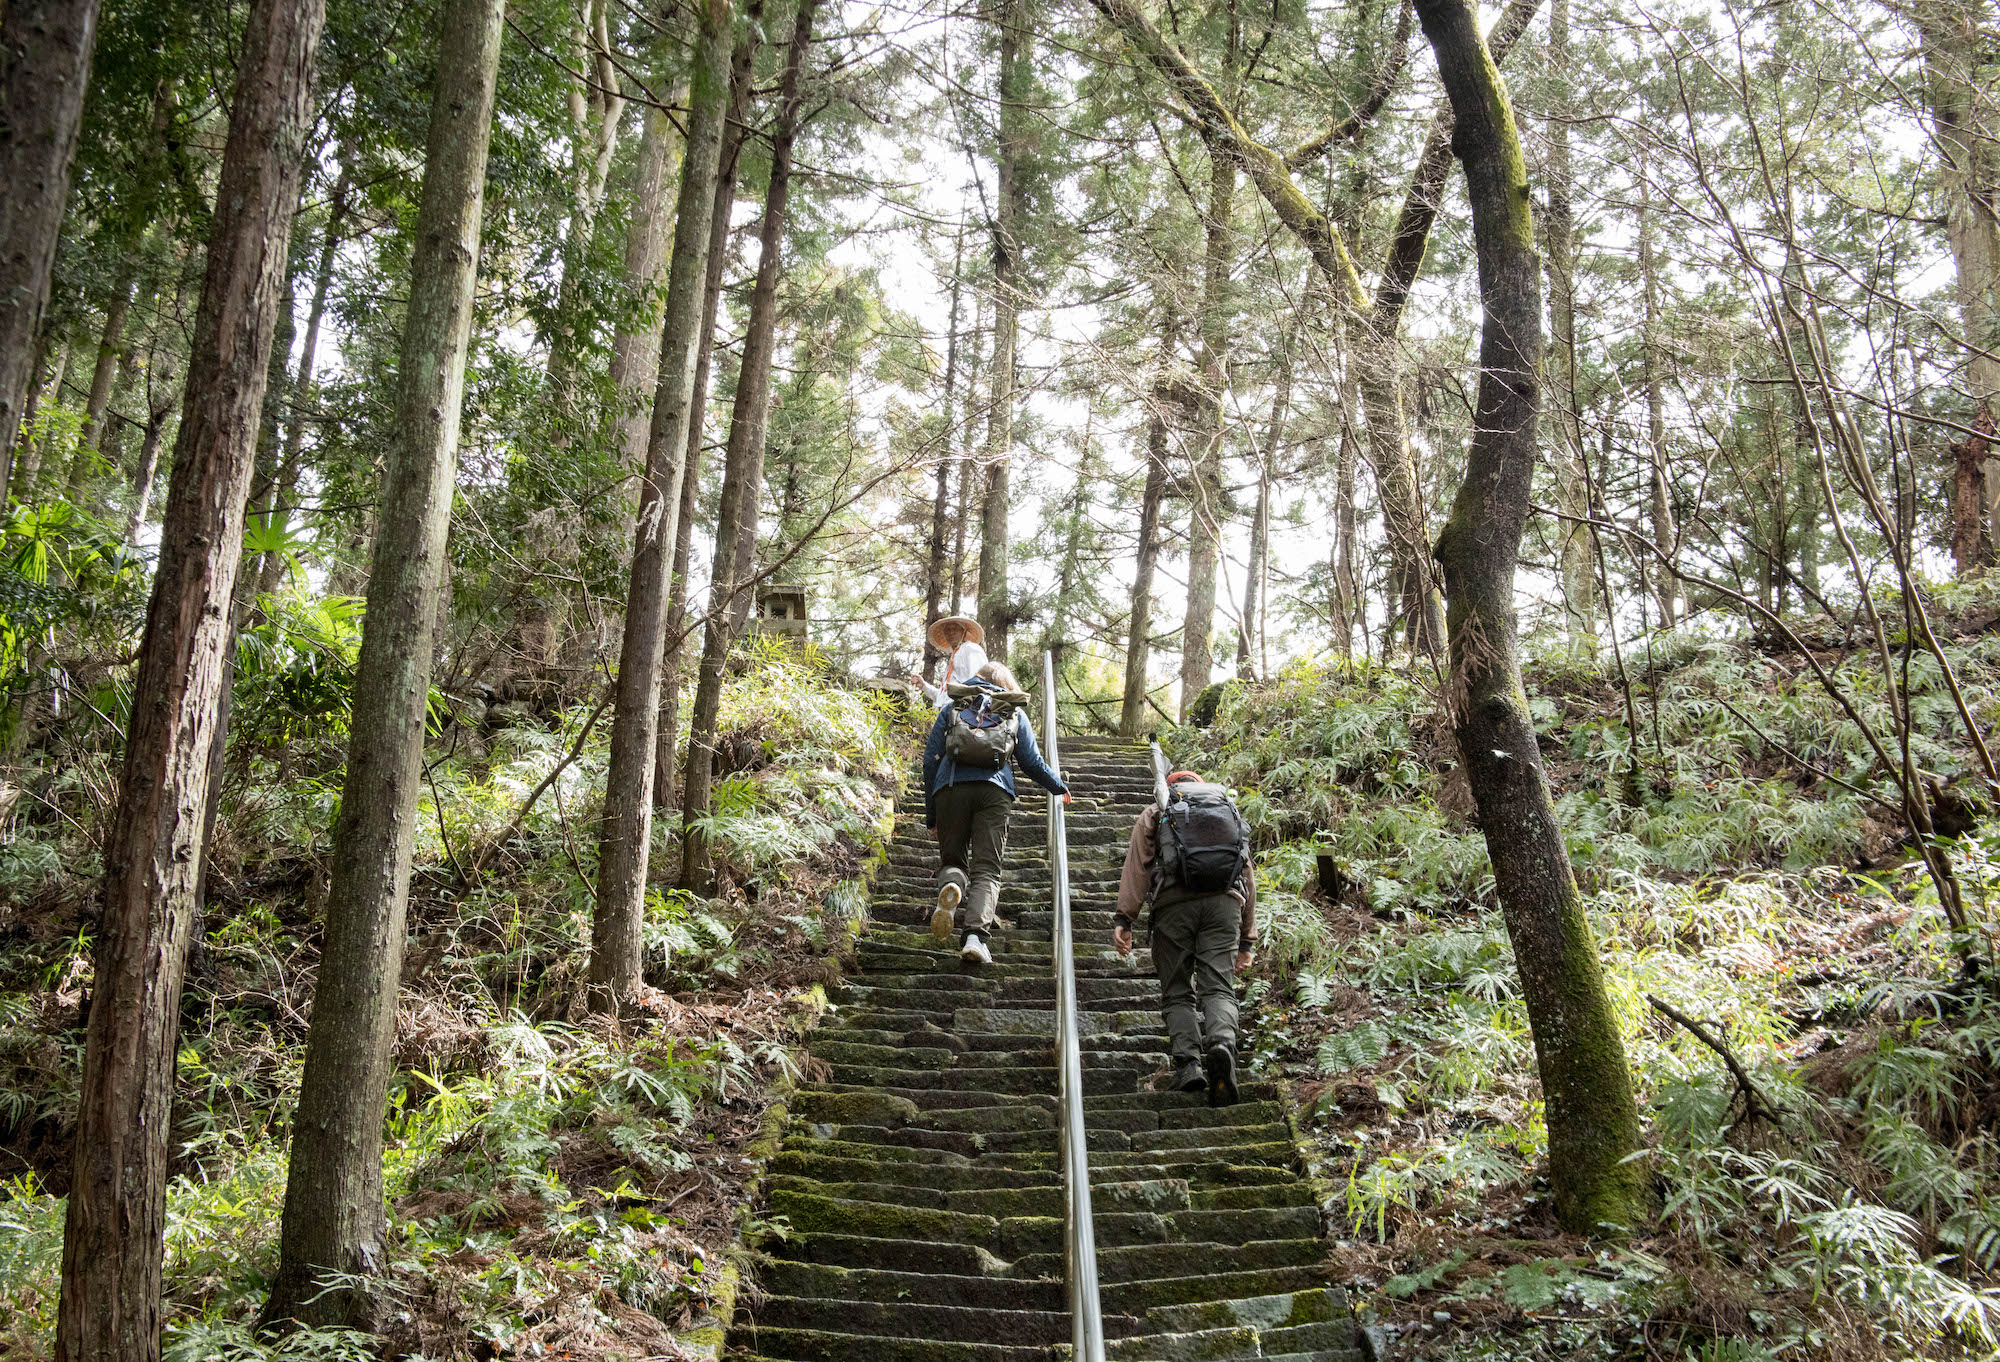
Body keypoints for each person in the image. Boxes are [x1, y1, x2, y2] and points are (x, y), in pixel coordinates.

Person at [1112, 769, 1256, 1106]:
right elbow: (1246, 872)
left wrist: (1125, 918)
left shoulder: (1157, 811)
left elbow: (1137, 868)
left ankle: (1189, 1064)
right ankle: (1222, 1044)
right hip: (1224, 904)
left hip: (1173, 905)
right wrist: (1247, 940)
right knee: (1218, 987)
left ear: (1171, 787)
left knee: (1177, 990)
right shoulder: (1226, 811)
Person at [923, 667, 1070, 966]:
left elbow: (930, 759)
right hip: (995, 792)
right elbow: (1032, 762)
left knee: (953, 861)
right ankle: (975, 938)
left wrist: (932, 815)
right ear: (1006, 685)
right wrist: (1058, 786)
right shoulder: (1012, 711)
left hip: (950, 788)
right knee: (987, 869)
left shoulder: (954, 706)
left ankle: (952, 888)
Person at [909, 615, 988, 709]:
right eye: (947, 630)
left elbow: (979, 684)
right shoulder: (953, 657)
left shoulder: (971, 649)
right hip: (947, 713)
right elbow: (942, 699)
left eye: (955, 629)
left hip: (963, 711)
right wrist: (924, 686)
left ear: (963, 631)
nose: (951, 632)